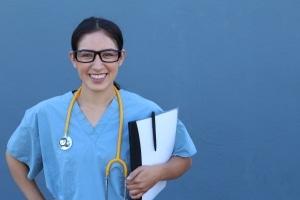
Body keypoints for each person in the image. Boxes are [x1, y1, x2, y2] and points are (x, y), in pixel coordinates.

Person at [6, 16, 197, 200]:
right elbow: (15, 156)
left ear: (121, 57)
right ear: (73, 59)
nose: (97, 66)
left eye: (108, 54)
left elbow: (184, 157)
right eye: (87, 55)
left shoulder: (145, 111)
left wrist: (159, 172)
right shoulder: (45, 114)